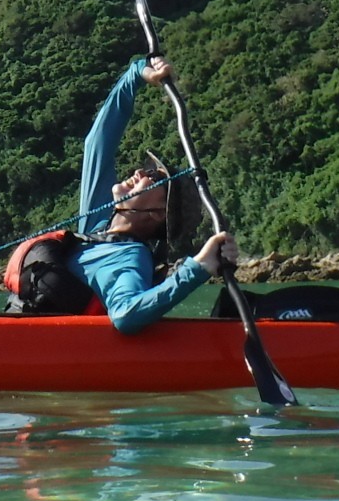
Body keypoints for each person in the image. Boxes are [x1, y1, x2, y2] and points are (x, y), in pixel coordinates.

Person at [76, 56, 237, 332]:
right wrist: (136, 75)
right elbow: (97, 144)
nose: (140, 172)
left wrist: (198, 268)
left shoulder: (131, 258)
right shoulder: (97, 222)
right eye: (148, 170)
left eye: (152, 178)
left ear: (156, 214)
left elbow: (125, 315)